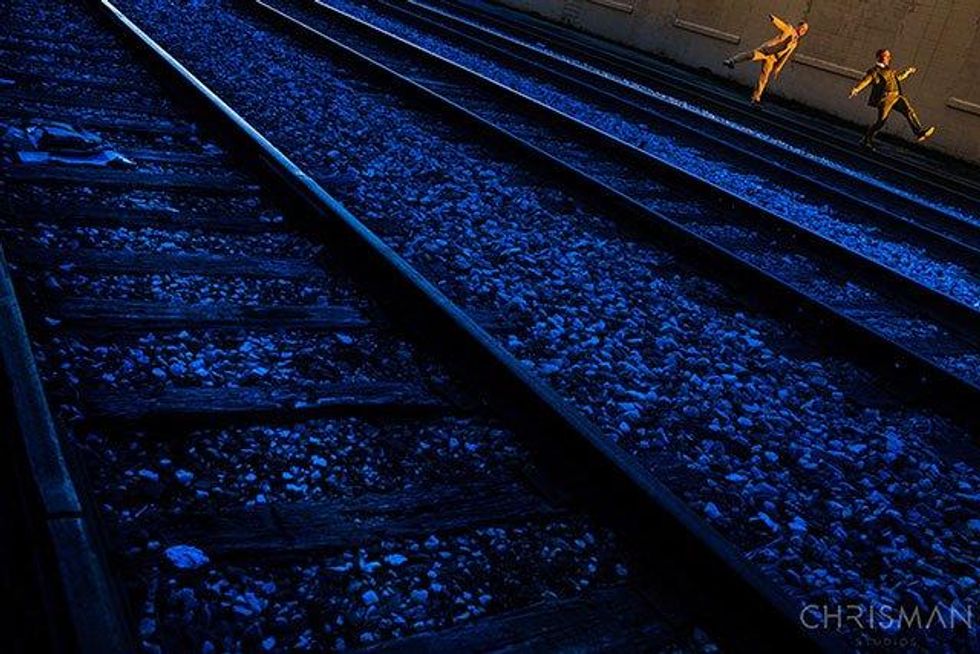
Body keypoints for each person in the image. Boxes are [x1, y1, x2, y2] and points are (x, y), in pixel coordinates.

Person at [849, 49, 936, 148]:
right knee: (881, 122)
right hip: (885, 99)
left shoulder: (889, 70)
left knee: (909, 111)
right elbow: (866, 81)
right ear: (879, 57)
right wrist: (856, 89)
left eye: (889, 56)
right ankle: (866, 140)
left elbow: (897, 78)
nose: (889, 58)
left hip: (896, 96)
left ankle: (919, 132)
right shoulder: (874, 71)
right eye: (886, 56)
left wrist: (907, 72)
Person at [723, 15, 809, 104]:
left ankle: (756, 97)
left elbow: (785, 56)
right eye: (802, 28)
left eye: (805, 30)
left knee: (764, 77)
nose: (803, 31)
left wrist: (778, 68)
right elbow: (781, 25)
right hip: (766, 51)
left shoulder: (795, 43)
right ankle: (731, 61)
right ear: (798, 26)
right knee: (750, 55)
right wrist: (774, 19)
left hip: (773, 58)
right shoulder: (789, 29)